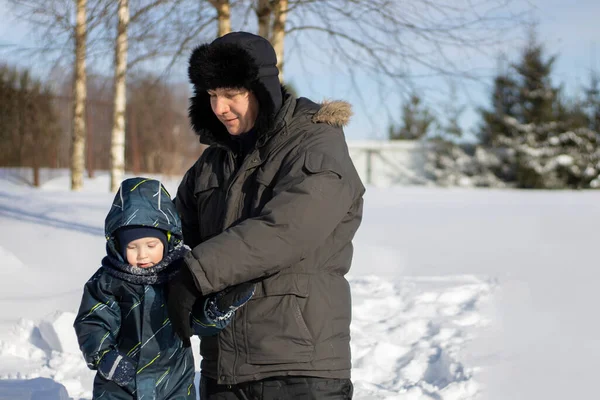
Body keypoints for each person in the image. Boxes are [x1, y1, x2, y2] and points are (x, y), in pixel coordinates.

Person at [166, 31, 365, 399]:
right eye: (211, 96)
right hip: (223, 368)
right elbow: (172, 233)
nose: (220, 108)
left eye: (231, 94)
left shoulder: (315, 143)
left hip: (298, 368)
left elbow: (287, 230)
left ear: (261, 89)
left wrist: (195, 275)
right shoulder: (213, 163)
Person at [73, 177, 254, 400]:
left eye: (151, 245)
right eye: (132, 247)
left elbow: (193, 320)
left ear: (168, 240)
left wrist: (214, 310)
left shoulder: (180, 276)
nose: (142, 255)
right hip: (120, 382)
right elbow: (92, 321)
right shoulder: (109, 281)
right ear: (118, 246)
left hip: (173, 380)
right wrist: (104, 356)